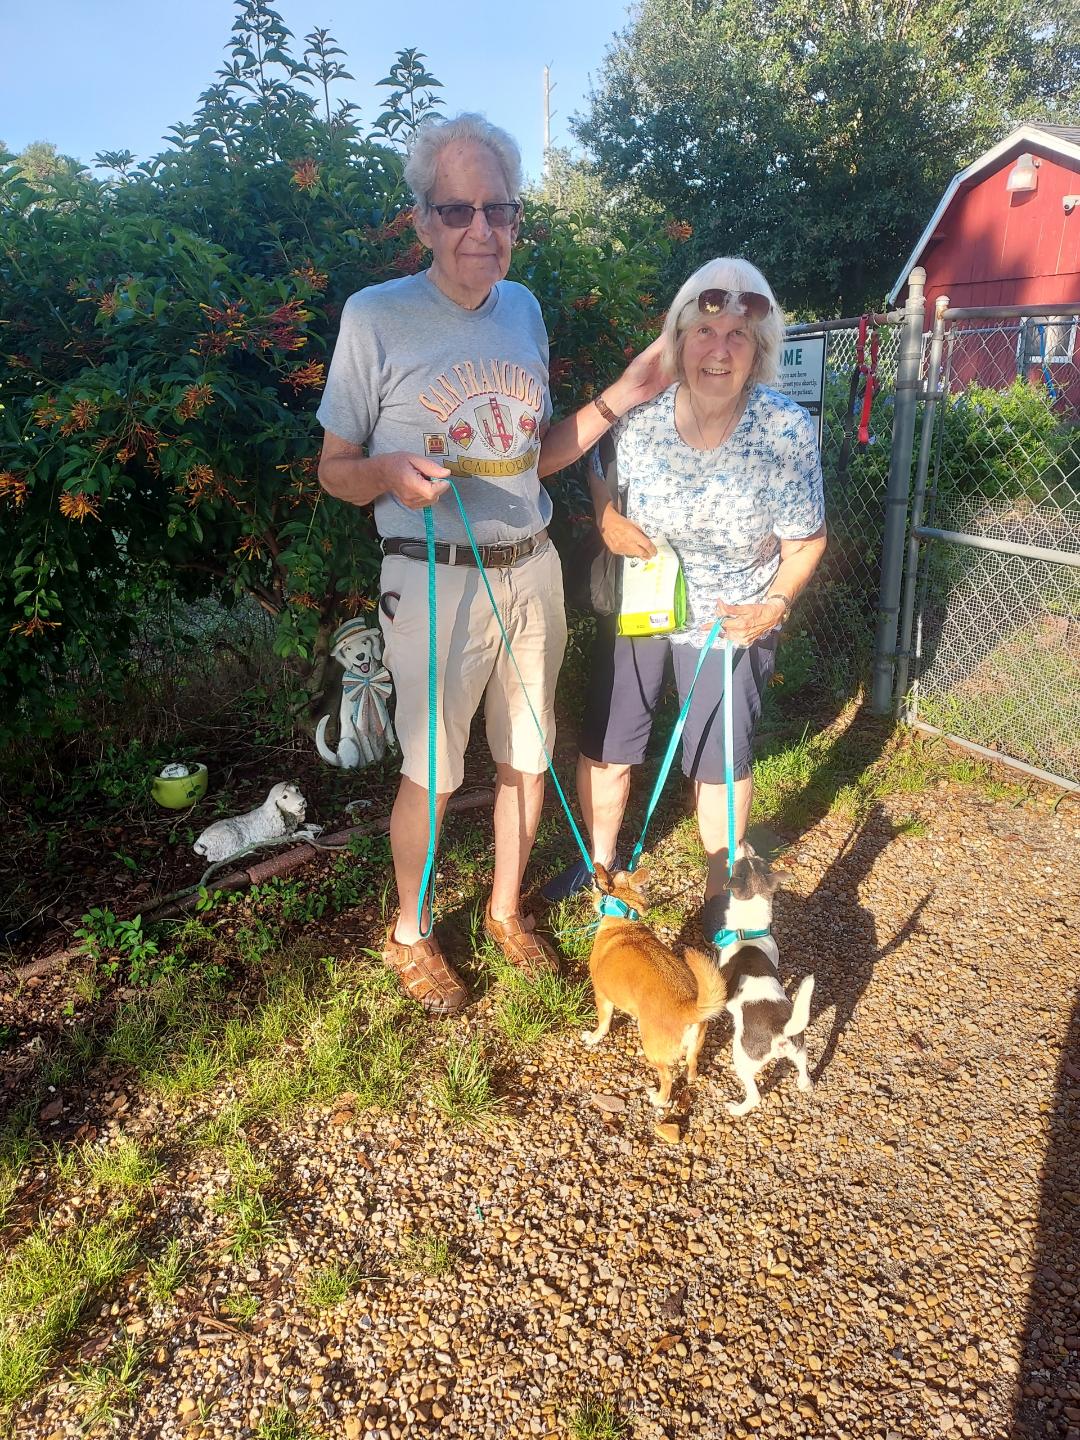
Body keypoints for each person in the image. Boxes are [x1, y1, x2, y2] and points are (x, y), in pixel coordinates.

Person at [317, 113, 666, 1015]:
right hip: (430, 577)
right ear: (423, 221)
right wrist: (389, 472)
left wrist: (621, 397)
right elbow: (333, 471)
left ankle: (508, 913)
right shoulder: (375, 316)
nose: (483, 231)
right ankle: (409, 932)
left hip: (532, 567)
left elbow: (536, 453)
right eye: (459, 211)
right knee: (432, 770)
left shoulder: (525, 310)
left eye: (500, 211)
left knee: (526, 754)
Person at [542, 256, 827, 928]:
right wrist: (608, 517)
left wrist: (776, 605)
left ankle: (720, 891)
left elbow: (807, 542)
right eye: (704, 332)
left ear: (759, 351)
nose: (719, 350)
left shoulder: (785, 430)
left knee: (716, 765)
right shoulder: (641, 416)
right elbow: (598, 468)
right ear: (677, 340)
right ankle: (599, 866)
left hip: (732, 619)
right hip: (643, 603)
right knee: (608, 748)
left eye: (737, 336)